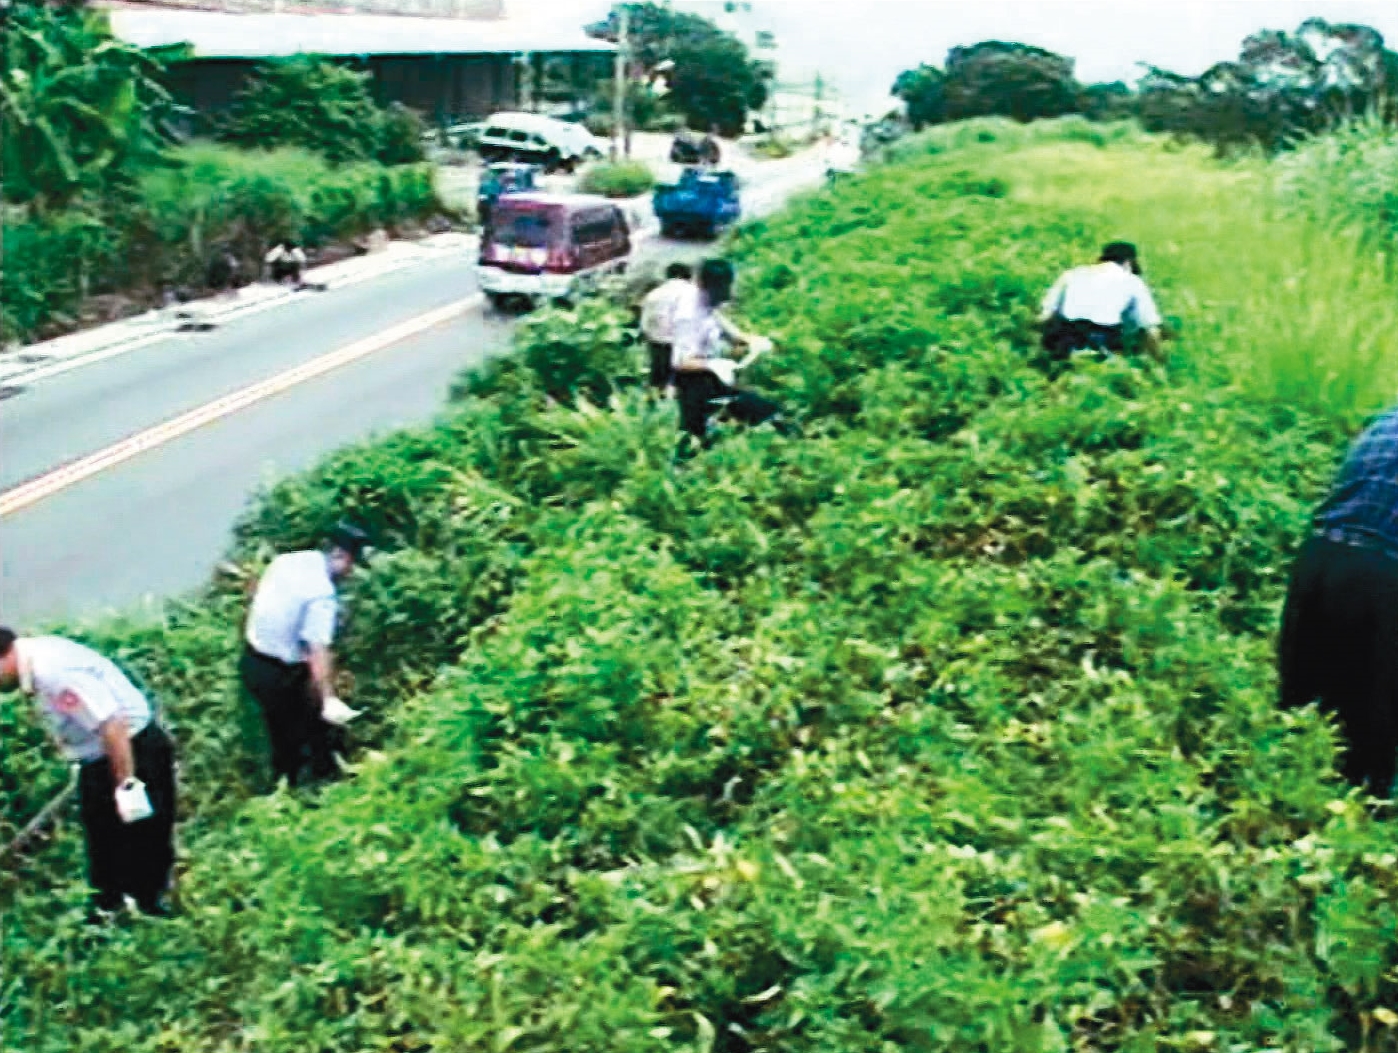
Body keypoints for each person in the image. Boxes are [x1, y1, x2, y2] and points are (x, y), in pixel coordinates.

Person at [0, 628, 177, 919]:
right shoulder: (33, 656)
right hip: (101, 754)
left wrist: (127, 786)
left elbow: (112, 725)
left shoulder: (54, 673)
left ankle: (148, 907)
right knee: (104, 840)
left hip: (130, 751)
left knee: (143, 831)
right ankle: (110, 908)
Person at [1280, 408, 1398, 795]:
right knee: (1372, 735)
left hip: (1319, 556)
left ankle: (1280, 818)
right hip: (1383, 571)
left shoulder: (1387, 419)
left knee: (1300, 710)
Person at [241, 524, 369, 788]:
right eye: (351, 565)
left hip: (252, 659)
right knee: (304, 727)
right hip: (279, 674)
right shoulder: (321, 594)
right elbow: (318, 651)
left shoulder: (289, 560)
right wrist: (329, 698)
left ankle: (288, 783)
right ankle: (314, 782)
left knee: (280, 729)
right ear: (340, 556)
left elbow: (257, 591)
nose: (351, 573)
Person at [671, 258, 792, 445]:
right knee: (695, 435)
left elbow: (722, 325)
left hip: (713, 376)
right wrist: (712, 365)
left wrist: (750, 340)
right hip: (695, 381)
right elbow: (680, 361)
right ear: (704, 285)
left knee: (762, 410)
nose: (725, 293)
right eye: (720, 289)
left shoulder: (709, 302)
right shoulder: (688, 315)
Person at [1039, 241, 1163, 359]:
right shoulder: (1133, 281)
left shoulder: (1072, 274)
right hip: (1102, 339)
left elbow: (1045, 316)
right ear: (1128, 263)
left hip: (1064, 337)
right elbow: (1151, 329)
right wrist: (1158, 360)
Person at [639, 262, 694, 392]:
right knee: (681, 381)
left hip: (657, 342)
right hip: (683, 344)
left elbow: (645, 323)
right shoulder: (692, 292)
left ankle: (655, 399)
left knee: (658, 377)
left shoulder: (654, 294)